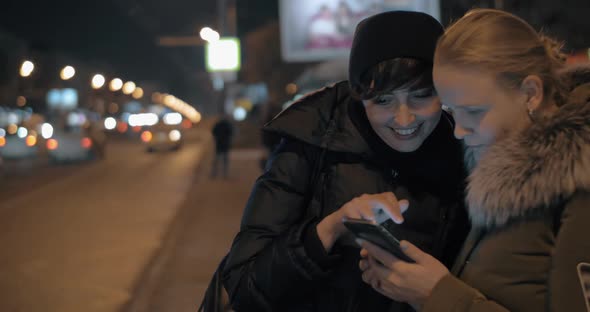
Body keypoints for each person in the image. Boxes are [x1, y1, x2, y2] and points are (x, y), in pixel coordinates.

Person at [221, 11, 470, 311]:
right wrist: (330, 229)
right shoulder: (310, 145)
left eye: (421, 96)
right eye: (383, 100)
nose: (405, 119)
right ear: (359, 94)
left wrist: (436, 291)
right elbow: (243, 288)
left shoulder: (465, 153)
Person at [357, 9, 590, 312]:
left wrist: (434, 294)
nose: (460, 131)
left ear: (530, 93)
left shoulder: (579, 185)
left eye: (475, 112)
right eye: (452, 111)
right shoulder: (499, 167)